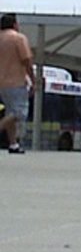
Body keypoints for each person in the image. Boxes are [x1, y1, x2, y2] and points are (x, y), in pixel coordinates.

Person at [0, 13, 35, 154]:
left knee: (10, 112)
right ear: (14, 24)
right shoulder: (18, 38)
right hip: (16, 81)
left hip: (2, 83)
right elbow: (26, 60)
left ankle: (13, 143)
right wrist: (33, 79)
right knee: (19, 112)